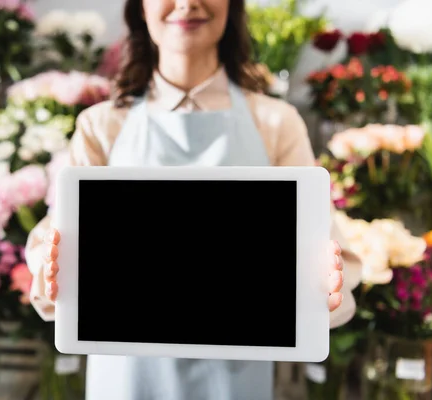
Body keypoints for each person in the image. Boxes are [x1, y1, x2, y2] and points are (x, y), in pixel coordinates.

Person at [26, 0, 363, 399]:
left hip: (237, 375)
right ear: (141, 10)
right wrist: (52, 267)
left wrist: (323, 281)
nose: (187, 4)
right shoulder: (102, 124)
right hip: (126, 375)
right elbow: (57, 236)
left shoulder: (277, 122)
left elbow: (324, 243)